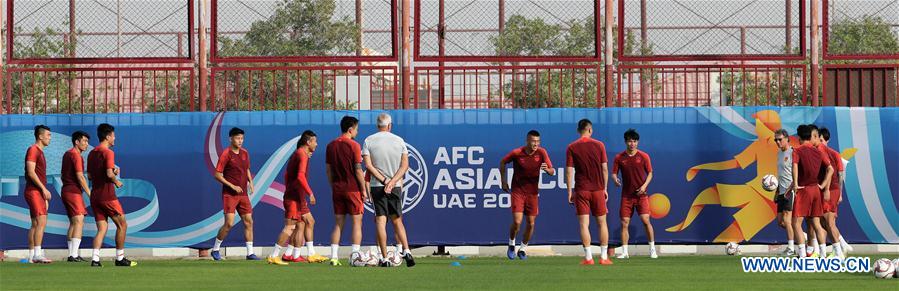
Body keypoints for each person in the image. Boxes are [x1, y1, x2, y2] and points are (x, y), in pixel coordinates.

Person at [362, 113, 415, 267]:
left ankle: (384, 258)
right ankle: (407, 251)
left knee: (381, 221)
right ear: (390, 125)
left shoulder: (368, 140)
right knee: (397, 220)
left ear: (377, 125)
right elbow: (405, 165)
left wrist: (384, 181)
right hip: (395, 186)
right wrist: (392, 182)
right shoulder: (399, 141)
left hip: (377, 186)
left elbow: (368, 166)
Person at [499, 130, 555, 260]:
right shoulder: (517, 153)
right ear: (527, 141)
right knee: (517, 222)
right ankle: (511, 244)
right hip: (518, 191)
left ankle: (523, 249)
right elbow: (502, 162)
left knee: (531, 223)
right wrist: (503, 181)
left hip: (533, 193)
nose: (536, 144)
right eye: (533, 141)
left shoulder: (542, 152)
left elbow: (552, 171)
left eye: (538, 141)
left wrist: (547, 170)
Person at [88, 123, 136, 267]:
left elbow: (90, 176)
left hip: (95, 196)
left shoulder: (92, 153)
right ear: (108, 137)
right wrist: (116, 181)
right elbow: (109, 174)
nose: (115, 138)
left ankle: (95, 259)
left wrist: (111, 172)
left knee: (102, 228)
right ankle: (120, 258)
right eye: (113, 136)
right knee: (122, 225)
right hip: (107, 196)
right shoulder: (108, 153)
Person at [566, 119, 612, 265]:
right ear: (590, 130)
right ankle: (604, 257)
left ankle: (588, 258)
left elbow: (569, 172)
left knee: (583, 225)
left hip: (581, 191)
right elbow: (605, 169)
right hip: (598, 190)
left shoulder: (572, 147)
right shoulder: (599, 145)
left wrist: (569, 192)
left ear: (578, 130)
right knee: (602, 223)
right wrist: (605, 188)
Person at [269, 131, 319, 265]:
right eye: (315, 141)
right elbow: (300, 176)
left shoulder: (301, 154)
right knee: (290, 228)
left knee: (307, 222)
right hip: (293, 198)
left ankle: (304, 254)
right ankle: (274, 255)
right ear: (308, 142)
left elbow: (287, 175)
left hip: (297, 197)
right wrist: (310, 193)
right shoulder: (301, 154)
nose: (316, 144)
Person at [210, 127, 259, 261]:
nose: (240, 141)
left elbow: (247, 169)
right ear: (230, 139)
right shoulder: (226, 154)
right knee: (229, 224)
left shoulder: (245, 153)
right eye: (237, 138)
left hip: (243, 195)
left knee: (249, 221)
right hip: (230, 194)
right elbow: (217, 175)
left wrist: (251, 182)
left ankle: (250, 253)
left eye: (242, 138)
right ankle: (215, 249)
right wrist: (232, 186)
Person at [325, 116, 368, 266]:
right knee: (357, 222)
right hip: (353, 189)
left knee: (338, 223)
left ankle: (333, 257)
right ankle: (355, 256)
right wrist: (363, 189)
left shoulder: (330, 145)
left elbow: (328, 170)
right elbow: (358, 170)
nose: (357, 132)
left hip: (338, 189)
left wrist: (333, 186)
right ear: (350, 129)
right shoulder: (354, 145)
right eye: (356, 129)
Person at [611, 129, 657, 259]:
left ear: (638, 142)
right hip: (626, 196)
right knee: (624, 222)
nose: (632, 144)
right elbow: (613, 173)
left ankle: (652, 250)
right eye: (630, 141)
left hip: (641, 196)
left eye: (634, 141)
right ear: (625, 142)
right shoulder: (619, 157)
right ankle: (625, 252)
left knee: (645, 220)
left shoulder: (644, 156)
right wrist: (615, 179)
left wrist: (644, 186)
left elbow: (650, 173)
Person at [791, 125, 833, 259]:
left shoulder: (797, 150)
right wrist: (823, 185)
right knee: (816, 223)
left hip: (804, 189)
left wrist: (795, 184)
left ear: (799, 137)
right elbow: (830, 169)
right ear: (810, 136)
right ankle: (823, 254)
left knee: (795, 223)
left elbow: (795, 167)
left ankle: (802, 255)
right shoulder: (818, 151)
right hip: (816, 190)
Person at [818, 127, 849, 258]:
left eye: (821, 140)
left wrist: (839, 193)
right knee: (823, 222)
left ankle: (839, 250)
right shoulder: (818, 152)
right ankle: (841, 246)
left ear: (827, 140)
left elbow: (840, 175)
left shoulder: (834, 154)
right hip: (824, 190)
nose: (819, 142)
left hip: (831, 191)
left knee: (828, 221)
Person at [61, 130, 92, 262]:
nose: (86, 144)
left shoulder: (67, 154)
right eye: (84, 141)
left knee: (74, 222)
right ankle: (73, 255)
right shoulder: (76, 155)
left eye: (87, 141)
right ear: (77, 142)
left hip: (66, 190)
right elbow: (80, 176)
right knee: (79, 221)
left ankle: (71, 254)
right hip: (73, 192)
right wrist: (90, 193)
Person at [24, 125, 53, 264]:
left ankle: (32, 255)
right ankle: (37, 254)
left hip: (37, 192)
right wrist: (43, 189)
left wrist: (43, 193)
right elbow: (31, 172)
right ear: (40, 136)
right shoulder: (33, 150)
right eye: (48, 135)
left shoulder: (40, 152)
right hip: (34, 191)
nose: (50, 138)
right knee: (41, 221)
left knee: (35, 224)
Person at [773, 129, 796, 256]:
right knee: (781, 222)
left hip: (790, 191)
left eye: (780, 139)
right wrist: (777, 191)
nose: (777, 142)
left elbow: (797, 174)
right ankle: (803, 237)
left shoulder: (793, 152)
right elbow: (781, 174)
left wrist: (791, 188)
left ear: (787, 139)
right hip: (781, 191)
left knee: (787, 220)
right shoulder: (779, 154)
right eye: (775, 140)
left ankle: (791, 248)